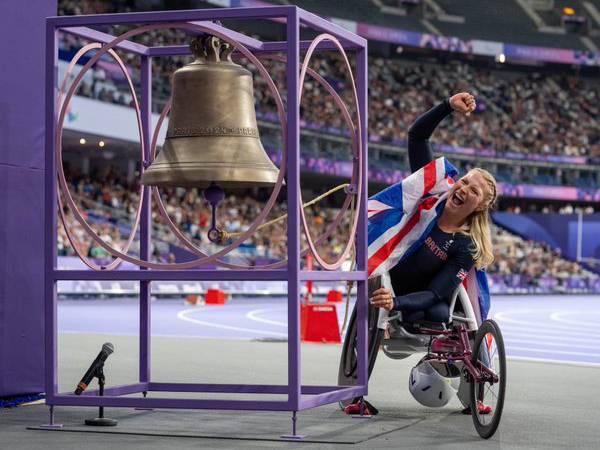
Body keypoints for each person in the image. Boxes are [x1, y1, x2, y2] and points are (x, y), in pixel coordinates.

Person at [369, 92, 497, 325]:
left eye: (475, 192)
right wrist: (447, 106)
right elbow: (417, 137)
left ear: (480, 206)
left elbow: (434, 294)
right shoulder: (433, 192)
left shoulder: (466, 245)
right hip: (387, 276)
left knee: (437, 313)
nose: (465, 189)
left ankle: (435, 361)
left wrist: (395, 304)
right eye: (465, 181)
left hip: (417, 300)